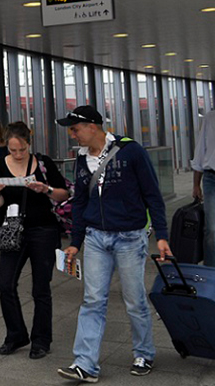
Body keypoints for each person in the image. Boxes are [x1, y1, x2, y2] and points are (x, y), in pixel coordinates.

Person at [56, 105, 172, 383]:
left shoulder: (131, 151)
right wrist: (76, 242)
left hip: (130, 237)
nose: (72, 134)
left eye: (75, 128)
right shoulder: (81, 160)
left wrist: (163, 236)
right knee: (93, 300)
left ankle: (144, 353)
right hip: (96, 237)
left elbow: (152, 195)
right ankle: (85, 364)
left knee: (134, 300)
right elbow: (81, 203)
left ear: (92, 126)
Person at [0, 122, 69, 360]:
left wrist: (46, 189)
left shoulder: (43, 164)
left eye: (21, 149)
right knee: (5, 284)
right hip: (13, 228)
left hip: (43, 229)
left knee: (41, 288)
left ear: (28, 144)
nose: (18, 154)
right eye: (13, 150)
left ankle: (41, 340)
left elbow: (63, 193)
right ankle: (16, 334)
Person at [191, 109, 215, 267]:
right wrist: (195, 184)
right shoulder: (210, 117)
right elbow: (200, 150)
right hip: (211, 178)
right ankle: (211, 271)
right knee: (212, 229)